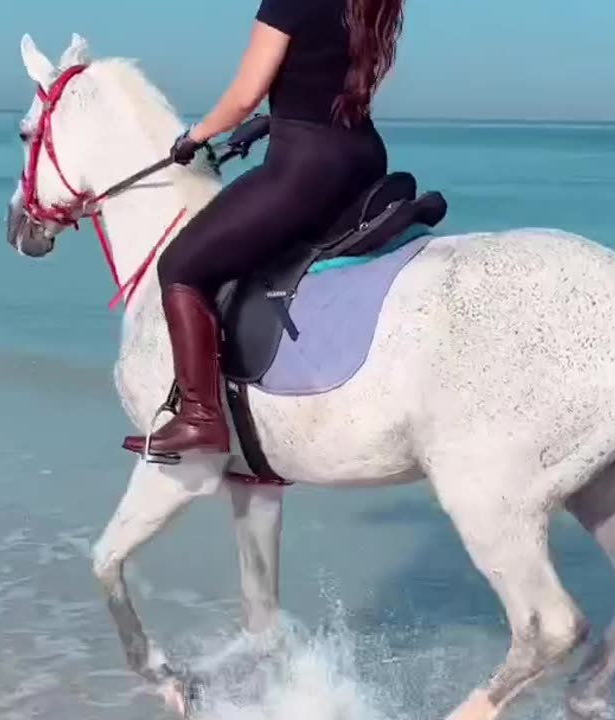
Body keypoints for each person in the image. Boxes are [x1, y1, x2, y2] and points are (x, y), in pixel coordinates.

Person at [124, 0, 406, 459]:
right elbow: (329, 82)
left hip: (305, 167)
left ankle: (199, 415)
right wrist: (274, 121)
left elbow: (242, 96)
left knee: (180, 265)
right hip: (363, 158)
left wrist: (195, 137)